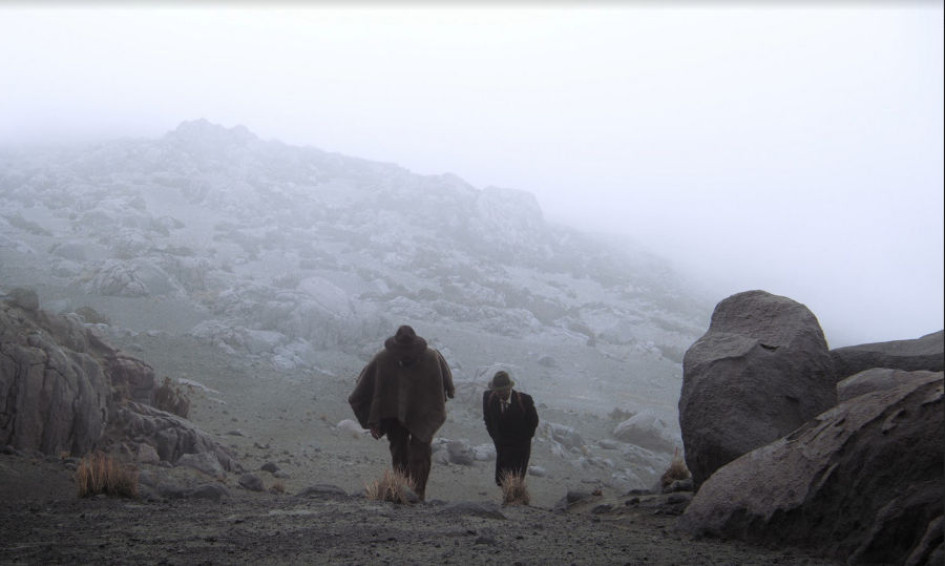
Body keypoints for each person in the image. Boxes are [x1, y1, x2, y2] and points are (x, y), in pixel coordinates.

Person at [348, 325, 454, 501]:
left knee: (420, 452)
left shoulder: (430, 358)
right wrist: (373, 420)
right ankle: (402, 492)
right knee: (399, 451)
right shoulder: (383, 359)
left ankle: (417, 494)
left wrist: (446, 393)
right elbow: (363, 388)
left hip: (423, 413)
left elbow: (445, 381)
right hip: (393, 414)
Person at [482, 370, 539, 487]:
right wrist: (495, 437)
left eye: (501, 391)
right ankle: (508, 500)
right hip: (502, 445)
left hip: (520, 446)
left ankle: (514, 502)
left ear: (509, 388)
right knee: (502, 479)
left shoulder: (524, 400)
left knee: (516, 479)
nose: (499, 394)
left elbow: (533, 421)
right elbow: (487, 419)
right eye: (497, 391)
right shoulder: (488, 397)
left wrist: (524, 438)